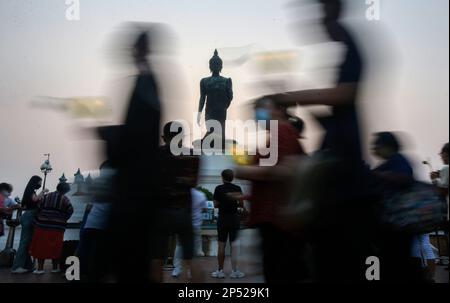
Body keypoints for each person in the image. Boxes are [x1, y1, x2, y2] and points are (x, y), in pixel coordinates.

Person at [235, 97, 308, 283]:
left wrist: (243, 171)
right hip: (275, 218)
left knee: (278, 272)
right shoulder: (279, 133)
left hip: (277, 219)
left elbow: (279, 171)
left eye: (262, 108)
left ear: (280, 109)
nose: (257, 114)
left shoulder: (281, 131)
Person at [372, 132, 424, 282]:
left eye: (377, 145)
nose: (374, 149)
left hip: (399, 222)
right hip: (394, 223)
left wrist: (379, 175)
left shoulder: (398, 161)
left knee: (398, 260)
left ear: (388, 146)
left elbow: (405, 178)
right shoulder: (388, 163)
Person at [154, 121, 200, 282]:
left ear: (163, 137)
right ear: (182, 137)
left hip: (160, 211)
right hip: (183, 211)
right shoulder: (192, 155)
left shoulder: (155, 155)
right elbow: (194, 183)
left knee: (156, 257)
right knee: (190, 256)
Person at [78, 161, 114, 282]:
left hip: (91, 222)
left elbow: (88, 205)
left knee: (85, 250)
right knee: (100, 254)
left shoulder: (96, 182)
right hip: (104, 225)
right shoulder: (115, 182)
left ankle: (79, 273)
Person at [29, 182, 73, 274]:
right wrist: (63, 219)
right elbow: (70, 210)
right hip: (57, 228)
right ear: (65, 191)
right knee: (56, 247)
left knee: (41, 247)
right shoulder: (65, 199)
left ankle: (40, 269)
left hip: (42, 226)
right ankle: (55, 268)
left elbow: (38, 208)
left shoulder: (46, 196)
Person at [210, 169, 245, 279]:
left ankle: (220, 271)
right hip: (234, 218)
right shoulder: (237, 188)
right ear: (232, 177)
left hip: (223, 218)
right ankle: (234, 271)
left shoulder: (218, 189)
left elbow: (215, 205)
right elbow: (241, 204)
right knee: (234, 245)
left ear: (222, 177)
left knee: (221, 244)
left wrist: (223, 201)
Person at [11, 176, 47, 274]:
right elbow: (35, 200)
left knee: (27, 243)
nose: (40, 184)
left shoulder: (30, 191)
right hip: (29, 217)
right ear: (35, 182)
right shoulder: (31, 192)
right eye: (39, 182)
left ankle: (27, 265)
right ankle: (16, 267)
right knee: (24, 242)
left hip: (29, 216)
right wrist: (43, 192)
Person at [172, 187, 207, 278]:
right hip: (195, 226)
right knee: (194, 250)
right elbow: (204, 209)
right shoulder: (201, 195)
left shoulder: (179, 194)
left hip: (182, 224)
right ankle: (189, 270)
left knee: (179, 246)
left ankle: (177, 269)